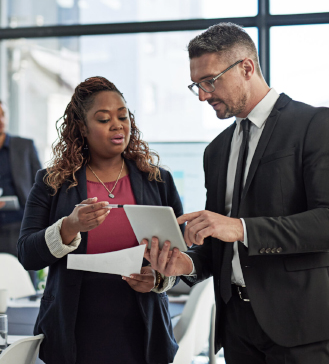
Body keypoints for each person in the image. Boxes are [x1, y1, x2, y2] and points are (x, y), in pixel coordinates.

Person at [143, 23, 329, 364]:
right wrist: (186, 264)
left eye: (210, 81)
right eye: (196, 85)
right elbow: (218, 244)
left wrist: (241, 228)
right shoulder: (216, 150)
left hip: (302, 329)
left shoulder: (315, 125)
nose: (202, 95)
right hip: (237, 328)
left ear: (246, 67)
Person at [18, 76, 182, 364]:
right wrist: (69, 227)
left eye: (123, 116)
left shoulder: (158, 181)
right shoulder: (52, 182)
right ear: (82, 127)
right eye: (104, 119)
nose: (118, 125)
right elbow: (27, 254)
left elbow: (182, 253)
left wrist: (158, 279)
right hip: (74, 329)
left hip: (143, 328)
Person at [0, 100, 41, 256]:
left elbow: (42, 185)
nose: (1, 120)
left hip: (20, 224)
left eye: (3, 115)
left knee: (25, 275)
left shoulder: (25, 146)